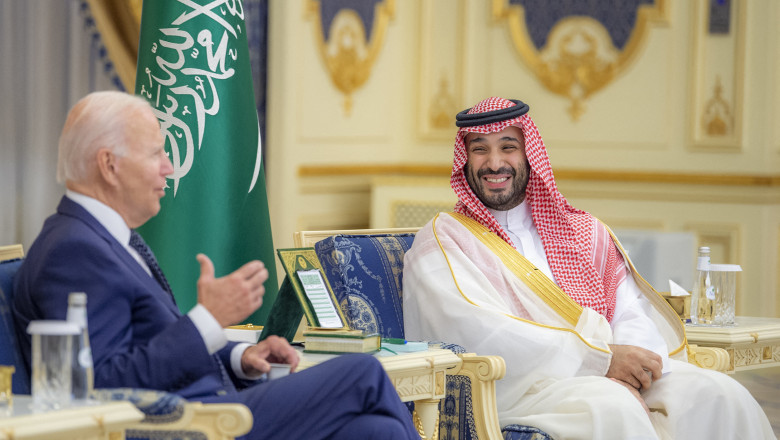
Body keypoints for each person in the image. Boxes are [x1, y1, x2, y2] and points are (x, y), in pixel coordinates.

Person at [13, 91, 420, 440]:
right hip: (188, 424)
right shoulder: (74, 250)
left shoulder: (109, 237)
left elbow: (148, 341)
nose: (169, 168)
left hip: (212, 404)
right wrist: (208, 319)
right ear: (109, 164)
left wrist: (241, 355)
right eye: (156, 153)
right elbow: (101, 381)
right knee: (363, 372)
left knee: (376, 432)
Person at [402, 96, 775, 439]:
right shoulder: (445, 240)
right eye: (480, 150)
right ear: (465, 160)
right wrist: (600, 362)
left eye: (508, 147)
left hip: (598, 370)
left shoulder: (582, 231)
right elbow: (479, 332)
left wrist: (635, 372)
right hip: (519, 387)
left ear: (529, 154)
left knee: (720, 394)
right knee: (613, 409)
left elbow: (629, 309)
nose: (494, 163)